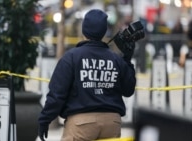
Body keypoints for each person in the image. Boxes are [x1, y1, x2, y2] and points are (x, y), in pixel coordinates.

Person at [38, 9, 136, 141]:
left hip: (81, 123)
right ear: (104, 31)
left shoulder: (71, 57)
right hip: (112, 123)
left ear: (84, 30)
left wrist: (45, 119)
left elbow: (57, 94)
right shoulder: (116, 59)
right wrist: (127, 60)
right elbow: (129, 90)